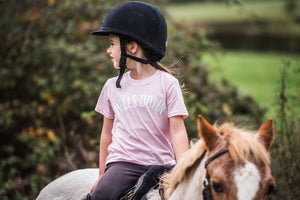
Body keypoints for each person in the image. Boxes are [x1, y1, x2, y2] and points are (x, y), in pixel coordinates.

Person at [89, 2, 189, 200]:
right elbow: (106, 134)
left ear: (132, 47)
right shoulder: (111, 87)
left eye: (111, 44)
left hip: (162, 166)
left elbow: (178, 131)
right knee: (101, 196)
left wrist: (184, 171)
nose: (109, 51)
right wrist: (102, 175)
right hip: (123, 165)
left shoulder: (168, 84)